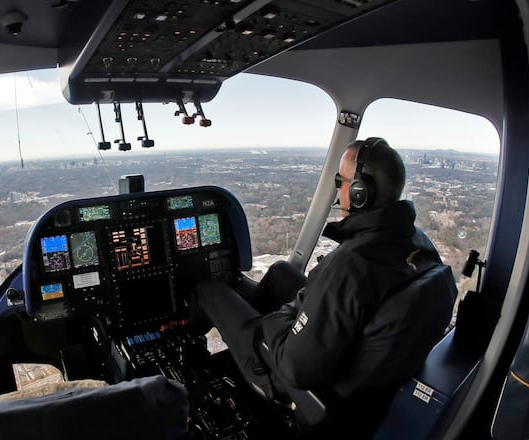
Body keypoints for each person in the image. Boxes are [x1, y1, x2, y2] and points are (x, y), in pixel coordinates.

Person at [192, 137, 457, 437]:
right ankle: (250, 311)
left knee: (210, 290)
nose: (338, 189)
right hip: (361, 367)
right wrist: (293, 313)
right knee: (281, 272)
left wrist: (278, 319)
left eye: (341, 181)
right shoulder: (418, 243)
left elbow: (293, 368)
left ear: (360, 193)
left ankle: (182, 354)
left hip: (304, 385)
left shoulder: (352, 263)